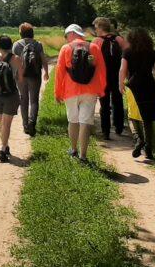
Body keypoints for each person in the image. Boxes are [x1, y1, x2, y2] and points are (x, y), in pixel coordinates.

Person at [54, 23, 106, 164]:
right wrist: (101, 89)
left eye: (66, 36)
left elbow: (59, 73)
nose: (66, 39)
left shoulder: (65, 49)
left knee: (73, 120)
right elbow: (102, 70)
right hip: (90, 91)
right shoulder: (94, 47)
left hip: (70, 91)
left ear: (71, 34)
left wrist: (58, 92)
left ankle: (73, 149)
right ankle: (83, 156)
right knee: (85, 122)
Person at [119, 27, 155, 161]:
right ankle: (149, 149)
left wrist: (120, 84)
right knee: (148, 119)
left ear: (131, 39)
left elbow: (123, 70)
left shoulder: (127, 52)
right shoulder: (152, 53)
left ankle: (138, 139)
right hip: (149, 87)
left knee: (132, 116)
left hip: (133, 87)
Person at [0, 34, 25, 163]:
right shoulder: (17, 59)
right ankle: (3, 148)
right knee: (6, 123)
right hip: (11, 95)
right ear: (10, 45)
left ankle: (5, 146)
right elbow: (21, 79)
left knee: (2, 122)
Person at [92, 17, 127, 139]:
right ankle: (119, 127)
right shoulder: (119, 39)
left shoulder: (96, 42)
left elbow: (92, 60)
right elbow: (128, 54)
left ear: (101, 28)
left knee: (104, 104)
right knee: (118, 102)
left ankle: (105, 131)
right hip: (117, 76)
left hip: (102, 77)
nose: (95, 30)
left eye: (96, 28)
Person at [12, 22, 48, 136]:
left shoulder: (16, 45)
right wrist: (46, 72)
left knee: (23, 100)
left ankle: (25, 125)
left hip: (21, 76)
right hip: (35, 75)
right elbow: (43, 59)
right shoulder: (38, 44)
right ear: (32, 33)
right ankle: (32, 123)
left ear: (21, 33)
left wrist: (13, 76)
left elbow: (13, 62)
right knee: (34, 100)